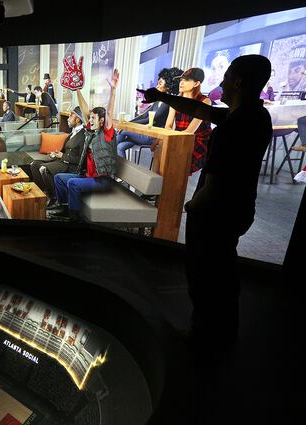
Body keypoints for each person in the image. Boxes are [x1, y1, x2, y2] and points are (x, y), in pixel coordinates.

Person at [139, 54, 273, 347]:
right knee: (222, 275)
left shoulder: (234, 126)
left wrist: (191, 206)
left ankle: (203, 339)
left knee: (204, 280)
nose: (221, 83)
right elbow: (198, 108)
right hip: (237, 210)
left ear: (237, 82)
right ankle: (222, 334)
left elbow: (216, 183)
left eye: (226, 77)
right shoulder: (254, 115)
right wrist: (162, 96)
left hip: (215, 214)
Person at [50, 69, 119, 222]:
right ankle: (65, 207)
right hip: (87, 176)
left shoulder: (107, 134)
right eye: (90, 118)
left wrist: (113, 91)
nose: (90, 120)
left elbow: (109, 113)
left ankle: (75, 217)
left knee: (72, 183)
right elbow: (83, 110)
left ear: (101, 121)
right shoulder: (90, 131)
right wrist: (77, 91)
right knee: (59, 178)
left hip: (103, 181)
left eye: (93, 118)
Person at [117, 67, 182, 157]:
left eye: (160, 83)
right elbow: (144, 116)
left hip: (151, 137)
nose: (157, 86)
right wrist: (127, 124)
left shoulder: (167, 103)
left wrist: (127, 126)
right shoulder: (158, 100)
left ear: (168, 86)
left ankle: (106, 155)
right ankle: (119, 169)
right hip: (144, 133)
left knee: (122, 131)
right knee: (120, 147)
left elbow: (150, 119)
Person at [30, 106, 87, 206]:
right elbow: (65, 151)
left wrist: (62, 156)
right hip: (62, 162)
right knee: (34, 164)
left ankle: (54, 199)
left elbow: (82, 160)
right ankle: (43, 193)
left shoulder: (83, 135)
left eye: (71, 116)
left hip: (71, 166)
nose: (68, 118)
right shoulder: (73, 133)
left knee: (44, 169)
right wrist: (56, 154)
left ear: (78, 119)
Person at [159, 67, 212, 174]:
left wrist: (172, 141)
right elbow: (168, 126)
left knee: (174, 157)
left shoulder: (205, 101)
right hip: (179, 138)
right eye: (181, 79)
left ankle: (171, 187)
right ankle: (159, 187)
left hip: (197, 142)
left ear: (196, 83)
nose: (181, 83)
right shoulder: (175, 100)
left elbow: (190, 131)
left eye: (186, 80)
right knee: (159, 149)